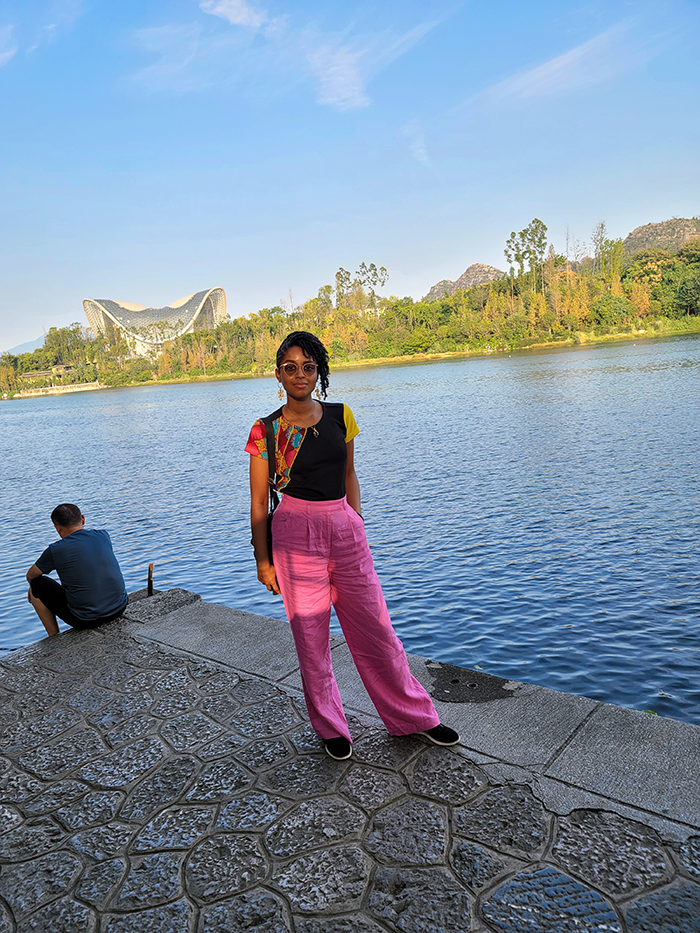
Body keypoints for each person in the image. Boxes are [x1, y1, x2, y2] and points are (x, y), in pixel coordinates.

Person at [247, 331, 459, 760]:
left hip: (344, 528)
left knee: (376, 628)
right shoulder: (265, 430)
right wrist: (263, 561)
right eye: (290, 368)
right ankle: (331, 726)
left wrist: (356, 520)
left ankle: (413, 717)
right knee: (311, 637)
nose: (300, 375)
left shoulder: (341, 415)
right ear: (278, 375)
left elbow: (349, 475)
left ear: (319, 372)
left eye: (308, 367)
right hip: (294, 535)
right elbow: (257, 503)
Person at [26, 503, 128, 637]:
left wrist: (32, 588)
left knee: (37, 584)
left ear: (57, 528)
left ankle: (53, 636)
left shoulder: (55, 550)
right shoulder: (103, 535)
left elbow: (31, 575)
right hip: (119, 607)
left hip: (86, 620)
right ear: (83, 519)